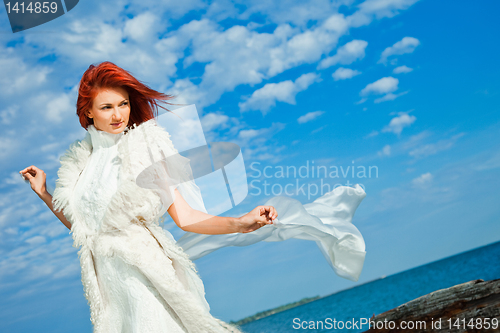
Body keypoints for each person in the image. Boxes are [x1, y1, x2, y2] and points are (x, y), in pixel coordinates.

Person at [20, 61, 367, 333]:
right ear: (88, 112)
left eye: (123, 104)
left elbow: (185, 217)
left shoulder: (145, 147)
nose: (118, 114)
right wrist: (46, 195)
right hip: (109, 292)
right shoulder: (80, 166)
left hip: (146, 276)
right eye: (107, 107)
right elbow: (85, 229)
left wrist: (241, 222)